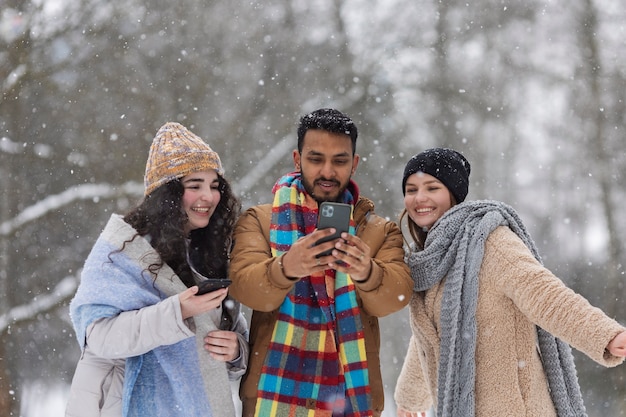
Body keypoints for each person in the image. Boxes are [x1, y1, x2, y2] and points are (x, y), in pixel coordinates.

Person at [393, 148, 626, 417]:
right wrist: (409, 399)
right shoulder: (431, 262)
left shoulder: (491, 242)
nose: (419, 198)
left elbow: (543, 293)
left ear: (453, 194)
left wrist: (605, 334)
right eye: (411, 190)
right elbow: (431, 336)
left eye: (432, 187)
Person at [227, 108, 413, 417]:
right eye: (316, 159)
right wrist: (286, 267)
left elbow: (398, 296)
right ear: (298, 160)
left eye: (339, 161)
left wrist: (367, 272)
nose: (327, 172)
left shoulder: (379, 231)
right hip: (274, 399)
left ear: (353, 164)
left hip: (348, 399)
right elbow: (246, 288)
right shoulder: (260, 221)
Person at [65, 122, 249, 417]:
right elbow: (100, 337)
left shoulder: (213, 253)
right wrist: (177, 312)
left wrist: (236, 350)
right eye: (194, 185)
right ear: (169, 193)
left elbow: (232, 329)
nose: (208, 197)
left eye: (214, 186)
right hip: (119, 404)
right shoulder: (120, 251)